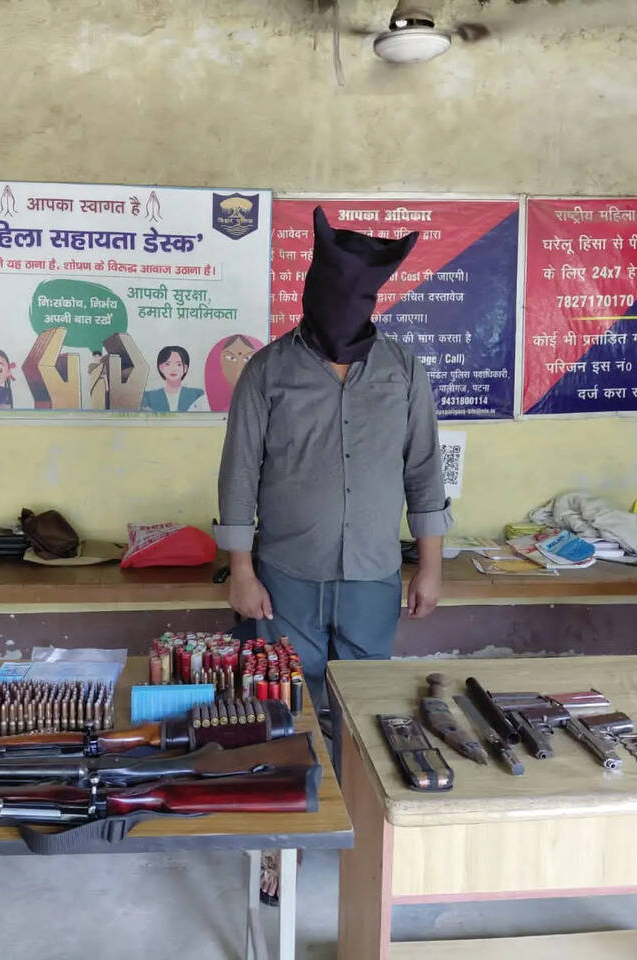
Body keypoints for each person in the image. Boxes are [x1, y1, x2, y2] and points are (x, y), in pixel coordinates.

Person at [216, 206, 449, 905]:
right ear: (311, 293)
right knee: (285, 706)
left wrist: (430, 564)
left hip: (373, 576)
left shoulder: (403, 371)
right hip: (285, 577)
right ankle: (280, 840)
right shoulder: (268, 372)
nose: (346, 310)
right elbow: (238, 475)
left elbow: (424, 470)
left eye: (360, 298)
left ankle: (356, 834)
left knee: (363, 709)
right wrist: (241, 570)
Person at [141, 345, 207, 412]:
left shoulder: (197, 395)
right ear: (161, 368)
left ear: (185, 368)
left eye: (178, 364)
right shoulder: (148, 397)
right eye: (168, 364)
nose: (173, 369)